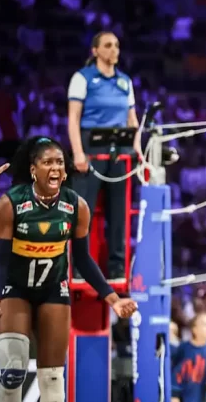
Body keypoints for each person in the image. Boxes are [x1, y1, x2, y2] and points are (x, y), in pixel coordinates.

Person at [0, 136, 138, 402]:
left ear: (65, 171)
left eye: (59, 162)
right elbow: (0, 259)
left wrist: (113, 299)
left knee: (53, 380)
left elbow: (83, 260)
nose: (55, 167)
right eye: (47, 162)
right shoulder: (10, 204)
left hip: (54, 290)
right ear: (33, 169)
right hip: (15, 289)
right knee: (13, 374)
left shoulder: (77, 206)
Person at [67, 31, 141, 281]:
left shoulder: (125, 82)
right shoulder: (83, 78)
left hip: (120, 151)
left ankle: (117, 268)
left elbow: (132, 120)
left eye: (117, 45)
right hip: (90, 149)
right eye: (108, 45)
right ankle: (79, 269)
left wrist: (137, 149)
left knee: (119, 213)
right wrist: (78, 153)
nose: (114, 50)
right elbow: (73, 119)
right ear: (95, 50)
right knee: (84, 212)